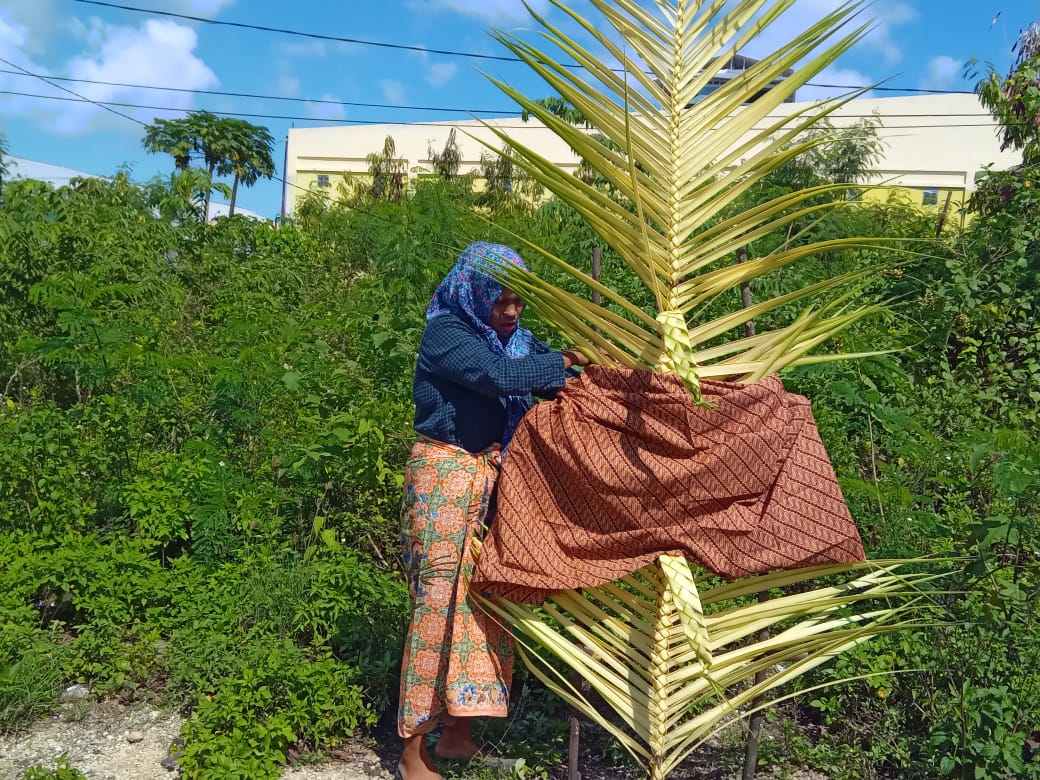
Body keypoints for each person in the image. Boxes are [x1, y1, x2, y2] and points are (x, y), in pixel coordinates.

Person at [396, 242, 590, 780]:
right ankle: (412, 751)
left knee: (485, 604)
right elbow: (501, 378)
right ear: (474, 292)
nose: (510, 312)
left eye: (518, 303)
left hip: (494, 479)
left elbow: (554, 380)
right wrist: (561, 362)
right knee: (436, 609)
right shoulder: (447, 334)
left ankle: (459, 735)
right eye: (500, 301)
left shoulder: (521, 344)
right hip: (445, 476)